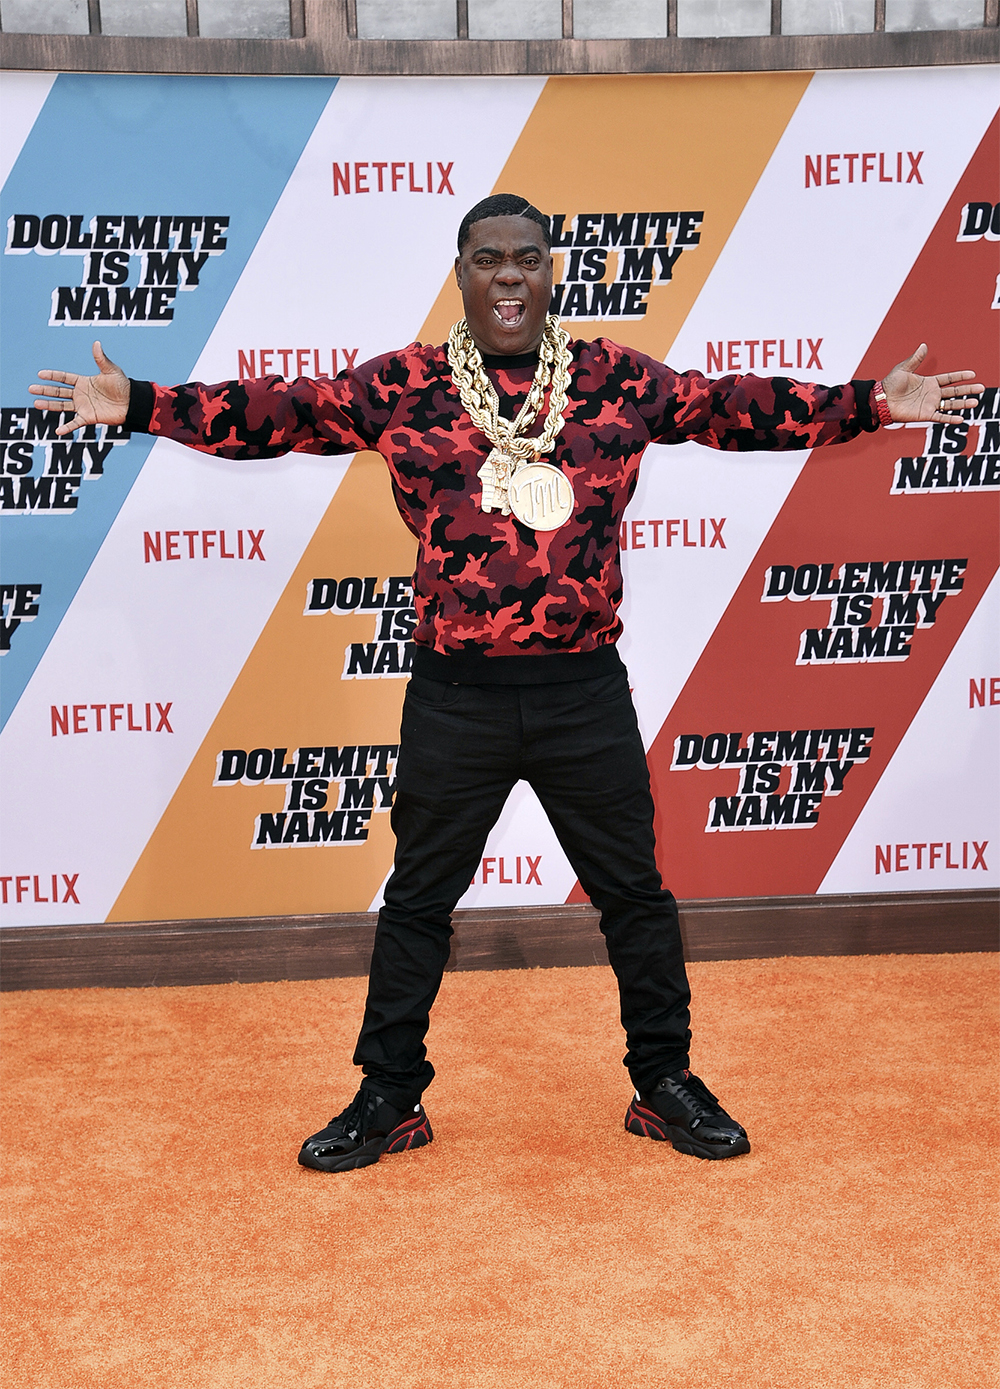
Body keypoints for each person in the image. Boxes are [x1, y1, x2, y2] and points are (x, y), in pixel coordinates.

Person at [34, 193, 983, 1174]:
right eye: (488, 259)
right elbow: (285, 412)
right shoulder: (404, 385)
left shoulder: (614, 380)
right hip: (456, 698)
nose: (509, 276)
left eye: (527, 257)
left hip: (583, 696)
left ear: (551, 271)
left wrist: (869, 403)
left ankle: (663, 1082)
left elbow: (729, 408)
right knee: (416, 903)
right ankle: (389, 1095)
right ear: (462, 274)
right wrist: (142, 404)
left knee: (634, 897)